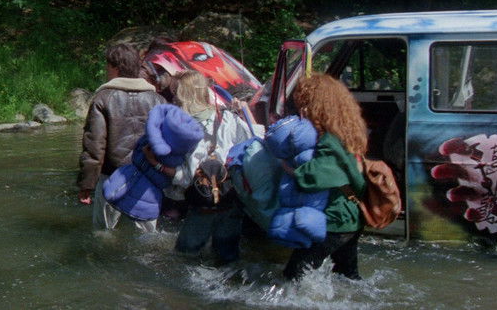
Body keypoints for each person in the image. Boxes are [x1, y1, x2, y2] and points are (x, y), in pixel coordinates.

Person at [150, 70, 256, 263]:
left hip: (203, 207)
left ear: (182, 95)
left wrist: (156, 165)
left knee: (183, 259)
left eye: (174, 93)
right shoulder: (228, 118)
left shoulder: (183, 130)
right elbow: (255, 145)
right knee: (228, 261)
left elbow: (185, 178)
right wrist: (244, 112)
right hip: (231, 201)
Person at [281, 73, 368, 281]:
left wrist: (288, 168)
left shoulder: (329, 140)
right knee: (347, 277)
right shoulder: (349, 132)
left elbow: (316, 178)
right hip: (352, 216)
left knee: (293, 275)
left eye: (303, 105)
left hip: (335, 220)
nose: (300, 112)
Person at [78, 43, 166, 231]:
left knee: (103, 232)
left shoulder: (103, 98)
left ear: (115, 67)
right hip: (147, 176)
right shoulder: (157, 99)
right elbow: (166, 142)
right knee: (148, 238)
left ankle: (101, 261)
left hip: (112, 175)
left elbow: (95, 145)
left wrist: (87, 183)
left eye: (107, 66)